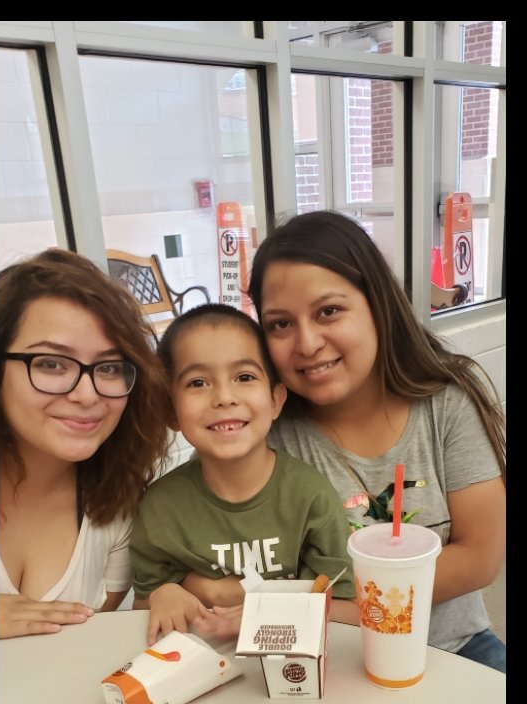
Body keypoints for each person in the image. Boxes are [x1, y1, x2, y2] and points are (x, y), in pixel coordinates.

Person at [246, 210, 506, 672]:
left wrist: (338, 611)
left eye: (328, 311)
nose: (307, 343)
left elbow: (480, 558)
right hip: (331, 660)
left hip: (455, 649)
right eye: (280, 324)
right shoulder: (270, 436)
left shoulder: (446, 404)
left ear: (377, 305)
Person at [130, 304, 355, 645]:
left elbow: (349, 608)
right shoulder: (160, 509)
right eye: (198, 382)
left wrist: (261, 610)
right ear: (170, 410)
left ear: (276, 399)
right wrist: (162, 594)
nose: (224, 397)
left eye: (245, 377)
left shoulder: (311, 497)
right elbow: (143, 605)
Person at [0, 248, 172, 638]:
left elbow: (77, 648)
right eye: (51, 364)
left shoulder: (118, 506)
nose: (87, 395)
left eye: (108, 367)